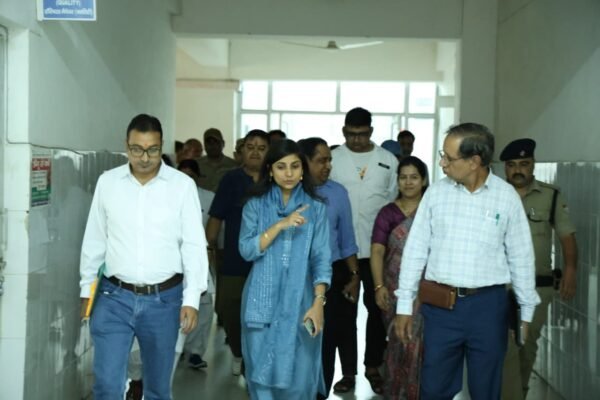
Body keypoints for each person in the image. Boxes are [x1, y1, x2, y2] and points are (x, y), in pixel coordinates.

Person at [394, 123, 540, 400]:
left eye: (449, 158)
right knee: (433, 389)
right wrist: (404, 306)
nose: (442, 163)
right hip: (441, 308)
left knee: (486, 390)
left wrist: (526, 311)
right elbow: (415, 251)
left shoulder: (506, 197)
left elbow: (521, 256)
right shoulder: (436, 194)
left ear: (474, 161)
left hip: (489, 309)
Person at [79, 114, 208, 400]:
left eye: (152, 149)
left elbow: (193, 245)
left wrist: (191, 299)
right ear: (126, 146)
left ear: (162, 146)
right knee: (106, 386)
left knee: (157, 389)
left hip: (165, 300)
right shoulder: (108, 182)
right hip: (113, 297)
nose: (145, 157)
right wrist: (86, 289)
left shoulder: (181, 186)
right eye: (137, 149)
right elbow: (95, 239)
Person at [239, 139, 332, 399]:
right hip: (260, 302)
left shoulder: (316, 209)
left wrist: (319, 303)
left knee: (300, 378)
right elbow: (246, 250)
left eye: (294, 166)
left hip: (303, 301)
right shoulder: (255, 206)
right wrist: (280, 225)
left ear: (303, 170)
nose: (288, 173)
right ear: (270, 170)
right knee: (260, 376)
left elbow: (321, 259)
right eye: (281, 167)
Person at [499, 138, 578, 400]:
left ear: (533, 165)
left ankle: (518, 394)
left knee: (526, 346)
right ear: (505, 168)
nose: (518, 170)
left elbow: (567, 236)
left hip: (536, 288)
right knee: (503, 348)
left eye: (524, 164)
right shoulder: (494, 194)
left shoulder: (550, 196)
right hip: (499, 287)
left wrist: (570, 271)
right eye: (512, 165)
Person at [330, 107, 399, 395]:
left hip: (376, 250)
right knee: (343, 313)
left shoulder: (388, 160)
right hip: (340, 251)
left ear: (371, 131)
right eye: (350, 134)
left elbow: (394, 202)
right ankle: (348, 372)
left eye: (361, 134)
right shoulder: (333, 159)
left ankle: (373, 366)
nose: (356, 140)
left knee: (376, 309)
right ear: (343, 131)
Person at [297, 138, 360, 398]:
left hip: (332, 273)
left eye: (329, 160)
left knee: (326, 336)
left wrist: (354, 276)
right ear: (304, 162)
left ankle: (320, 393)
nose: (328, 166)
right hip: (296, 275)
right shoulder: (289, 192)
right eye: (321, 160)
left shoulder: (337, 193)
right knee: (298, 337)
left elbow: (347, 239)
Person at [205, 129, 270, 375]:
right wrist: (209, 248)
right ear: (242, 151)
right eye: (250, 147)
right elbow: (216, 217)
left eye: (261, 148)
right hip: (234, 258)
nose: (255, 152)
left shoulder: (275, 179)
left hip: (268, 260)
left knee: (264, 313)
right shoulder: (231, 179)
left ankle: (257, 359)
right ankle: (238, 351)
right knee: (228, 308)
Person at [371, 156, 428, 400]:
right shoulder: (388, 213)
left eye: (414, 177)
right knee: (398, 341)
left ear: (423, 180)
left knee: (421, 345)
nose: (408, 182)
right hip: (394, 288)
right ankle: (396, 392)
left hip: (426, 290)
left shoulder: (431, 211)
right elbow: (377, 251)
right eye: (403, 177)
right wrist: (379, 286)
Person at [197, 128, 238, 192]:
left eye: (216, 142)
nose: (212, 145)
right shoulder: (196, 165)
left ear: (223, 143)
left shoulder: (234, 166)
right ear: (204, 145)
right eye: (209, 142)